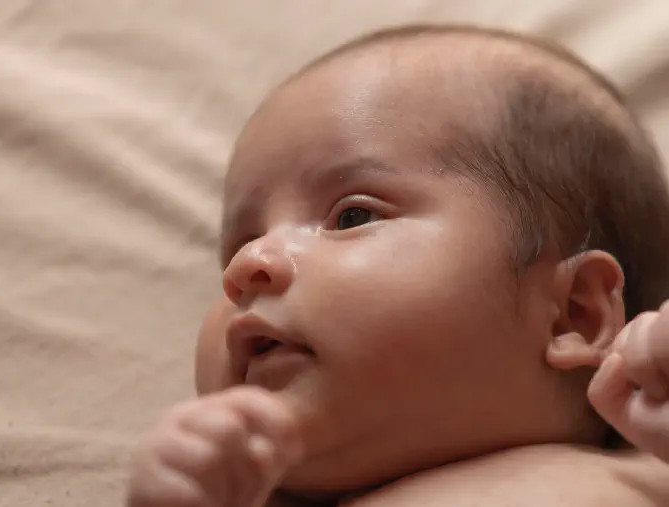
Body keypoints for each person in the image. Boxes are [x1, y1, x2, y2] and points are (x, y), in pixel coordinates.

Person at [127, 25, 669, 507]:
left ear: (572, 314)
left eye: (351, 216)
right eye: (240, 243)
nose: (249, 264)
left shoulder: (644, 472)